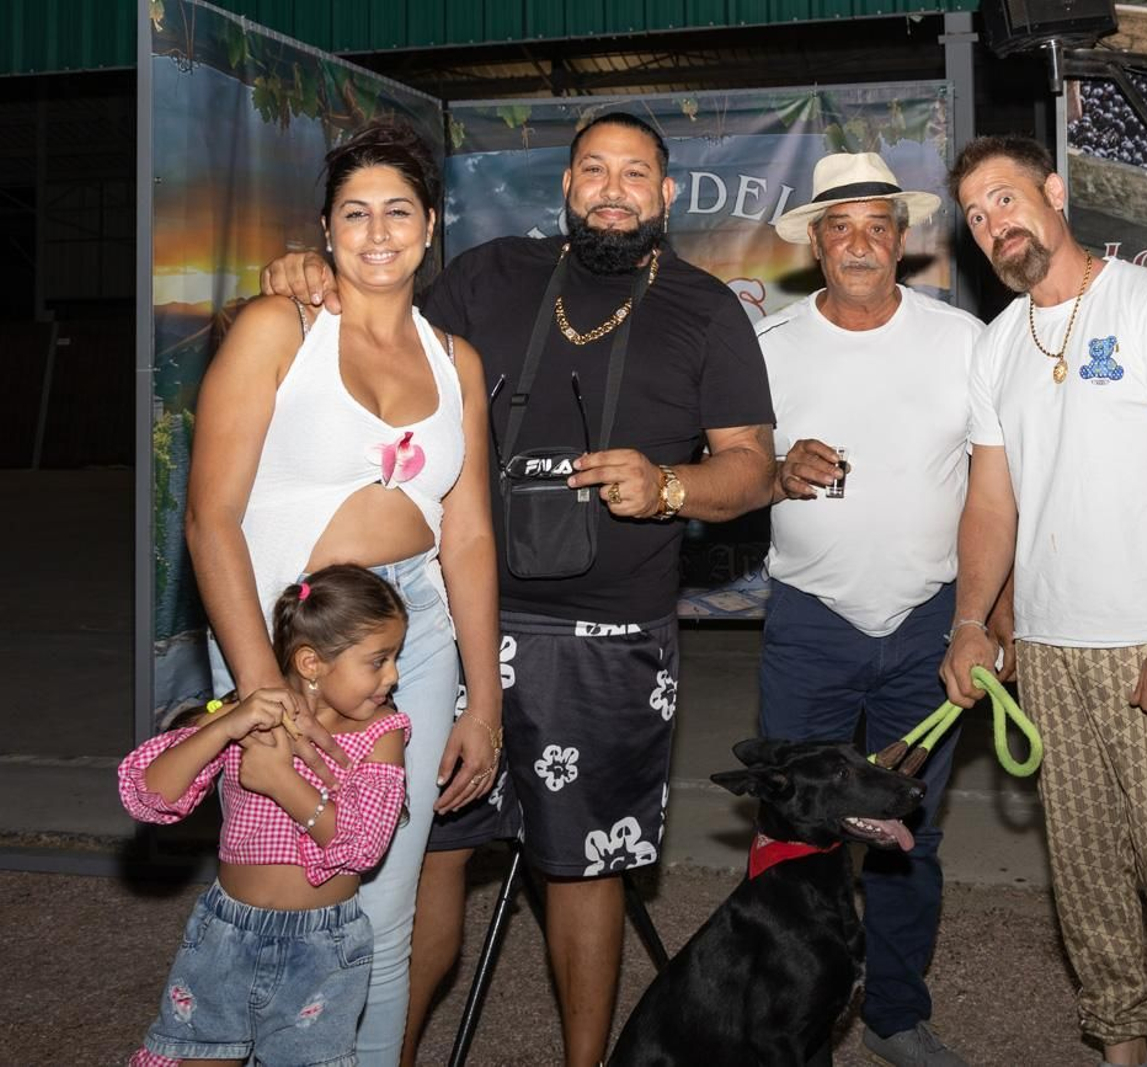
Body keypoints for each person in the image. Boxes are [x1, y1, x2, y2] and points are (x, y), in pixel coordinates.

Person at [261, 112, 776, 1066]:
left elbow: (752, 467)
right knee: (427, 855)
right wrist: (312, 276)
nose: (613, 189)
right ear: (566, 187)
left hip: (611, 637)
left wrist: (668, 486)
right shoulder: (491, 274)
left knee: (584, 866)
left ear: (667, 196)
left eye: (635, 173)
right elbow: (374, 321)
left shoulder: (707, 310)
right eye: (594, 170)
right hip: (449, 624)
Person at [188, 119, 502, 1065]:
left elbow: (469, 536)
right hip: (288, 638)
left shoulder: (457, 360)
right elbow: (210, 519)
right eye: (355, 213)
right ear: (324, 229)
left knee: (386, 915)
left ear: (431, 225)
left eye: (398, 211)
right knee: (286, 900)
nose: (377, 232)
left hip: (415, 640)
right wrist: (262, 692)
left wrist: (484, 701)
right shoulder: (278, 329)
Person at [940, 135, 1147, 1067]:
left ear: (1055, 192)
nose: (994, 224)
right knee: (1085, 873)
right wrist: (970, 622)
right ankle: (1119, 1047)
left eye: (1005, 199)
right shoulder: (997, 345)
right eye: (976, 215)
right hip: (1048, 650)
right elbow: (992, 503)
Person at [758, 152, 993, 1067]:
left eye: (877, 227)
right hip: (810, 622)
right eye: (840, 227)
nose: (859, 244)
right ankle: (782, 1017)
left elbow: (998, 490)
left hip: (931, 621)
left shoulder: (963, 340)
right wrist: (775, 469)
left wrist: (990, 616)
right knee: (790, 831)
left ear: (902, 241)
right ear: (816, 244)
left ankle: (894, 1016)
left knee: (906, 835)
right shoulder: (769, 346)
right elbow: (729, 469)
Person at [120, 565, 415, 1066]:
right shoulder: (246, 713)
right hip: (225, 934)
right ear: (312, 663)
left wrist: (281, 780)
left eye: (395, 657)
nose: (394, 676)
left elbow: (364, 845)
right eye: (378, 660)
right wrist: (223, 725)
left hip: (323, 948)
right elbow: (144, 794)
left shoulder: (380, 733)